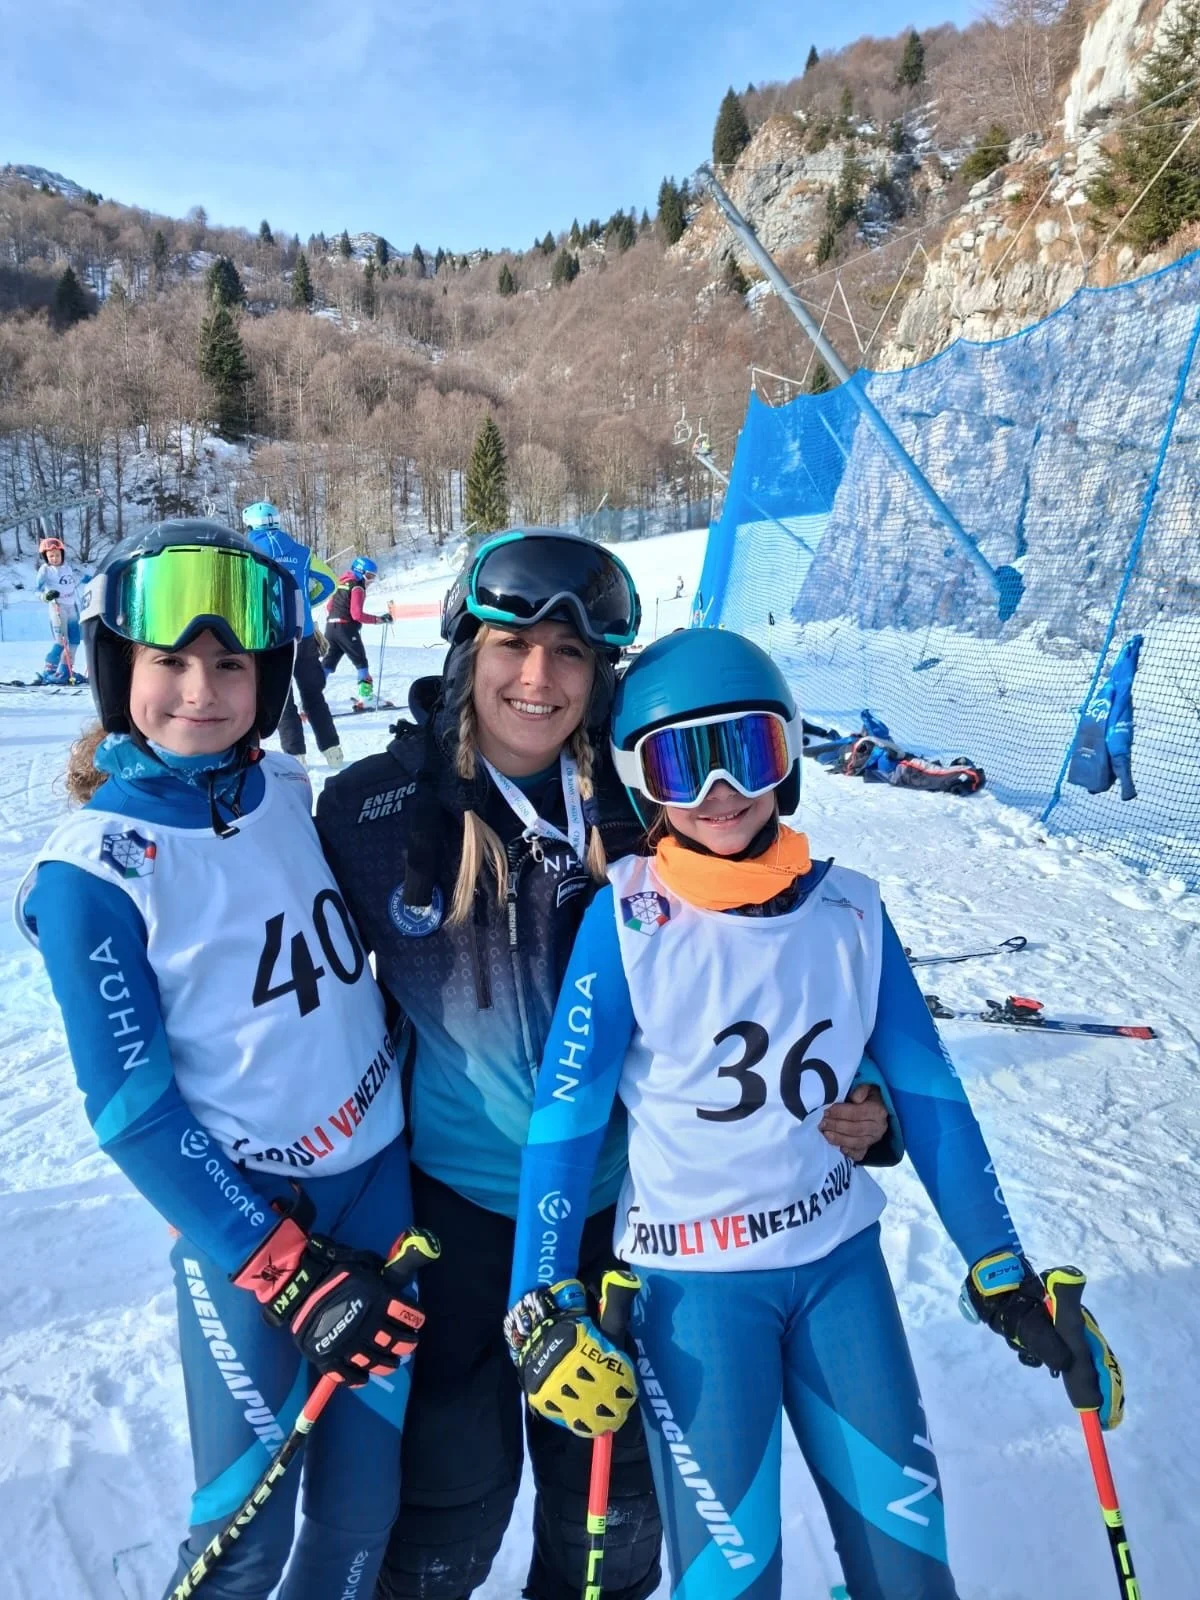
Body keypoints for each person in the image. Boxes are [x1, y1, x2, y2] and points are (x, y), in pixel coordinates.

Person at [315, 531, 890, 1600]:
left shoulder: (656, 801)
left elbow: (785, 968)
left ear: (602, 675)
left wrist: (871, 1097)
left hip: (633, 1221)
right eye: (514, 645)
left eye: (571, 654)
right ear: (467, 650)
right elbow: (286, 1000)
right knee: (451, 1503)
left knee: (611, 1522)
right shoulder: (367, 814)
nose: (538, 677)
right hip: (457, 1218)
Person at [504, 627, 1125, 1600]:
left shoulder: (853, 912)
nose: (721, 790)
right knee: (731, 1581)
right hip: (694, 1288)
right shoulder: (626, 920)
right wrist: (538, 1296)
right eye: (683, 763)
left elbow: (932, 1096)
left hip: (839, 1268)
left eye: (747, 751)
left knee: (911, 1575)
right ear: (640, 780)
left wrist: (1002, 1267)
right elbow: (565, 1118)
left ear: (788, 755)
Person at [16, 518, 435, 1600]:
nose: (201, 690)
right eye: (170, 661)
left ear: (269, 676)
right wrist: (280, 1264)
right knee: (244, 1534)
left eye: (232, 665)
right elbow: (134, 1115)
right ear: (119, 670)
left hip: (378, 1193)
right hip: (253, 1224)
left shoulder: (285, 786)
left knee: (360, 1513)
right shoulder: (92, 872)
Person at [241, 501, 344, 768]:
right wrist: (307, 602)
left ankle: (296, 757)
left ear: (250, 525)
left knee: (283, 698)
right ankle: (333, 751)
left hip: (270, 636)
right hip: (304, 633)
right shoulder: (301, 551)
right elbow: (330, 582)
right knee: (313, 694)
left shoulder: (246, 551)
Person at [322, 555, 390, 708]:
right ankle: (366, 697)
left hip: (331, 628)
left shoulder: (340, 583)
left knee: (328, 664)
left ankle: (311, 698)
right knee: (361, 662)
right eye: (369, 576)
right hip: (346, 629)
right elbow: (356, 614)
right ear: (360, 572)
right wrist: (379, 619)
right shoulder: (357, 587)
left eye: (373, 577)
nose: (370, 580)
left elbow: (329, 606)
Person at [35, 534, 87, 683]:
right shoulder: (45, 570)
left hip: (71, 606)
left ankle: (65, 670)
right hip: (57, 606)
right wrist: (46, 596)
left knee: (75, 640)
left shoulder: (68, 567)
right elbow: (37, 591)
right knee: (61, 641)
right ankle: (48, 671)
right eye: (51, 556)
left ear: (62, 554)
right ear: (46, 557)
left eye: (57, 555)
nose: (54, 558)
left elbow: (80, 578)